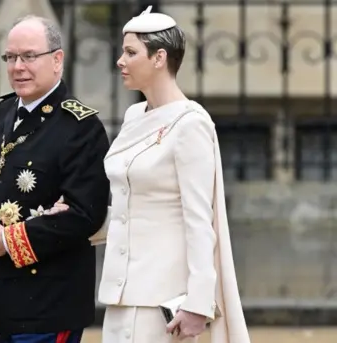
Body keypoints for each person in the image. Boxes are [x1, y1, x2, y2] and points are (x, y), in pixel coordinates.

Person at [48, 7, 251, 343]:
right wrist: (81, 219)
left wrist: (199, 303)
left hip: (164, 300)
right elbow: (135, 208)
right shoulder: (133, 116)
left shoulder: (191, 124)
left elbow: (201, 222)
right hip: (121, 292)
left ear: (159, 58)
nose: (120, 61)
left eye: (130, 52)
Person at [0, 14, 111, 343]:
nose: (17, 67)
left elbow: (86, 215)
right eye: (10, 57)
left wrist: (8, 242)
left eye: (28, 56)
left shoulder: (80, 127)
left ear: (57, 60)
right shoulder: (8, 110)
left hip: (49, 298)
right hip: (7, 296)